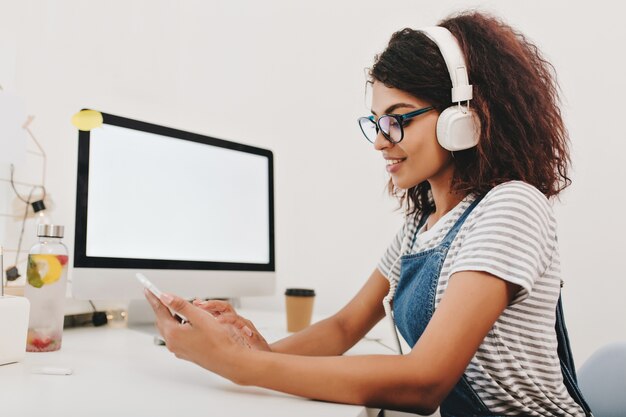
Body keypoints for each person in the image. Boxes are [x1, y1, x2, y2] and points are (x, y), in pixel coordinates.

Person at [145, 11, 592, 417]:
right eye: (376, 122)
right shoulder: (420, 228)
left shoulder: (511, 207)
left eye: (398, 119)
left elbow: (425, 382)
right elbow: (343, 328)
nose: (380, 141)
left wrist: (242, 364)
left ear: (462, 118)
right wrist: (250, 347)